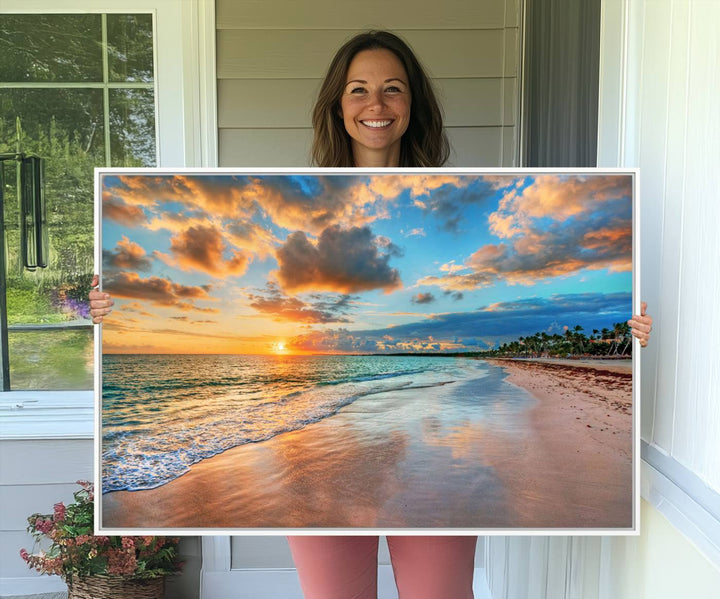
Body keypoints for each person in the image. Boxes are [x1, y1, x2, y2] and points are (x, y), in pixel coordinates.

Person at [89, 30, 653, 599]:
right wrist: (111, 305)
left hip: (433, 469)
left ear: (413, 105)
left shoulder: (459, 190)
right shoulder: (294, 201)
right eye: (358, 90)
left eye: (392, 89)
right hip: (321, 468)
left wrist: (631, 333)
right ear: (338, 105)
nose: (376, 105)